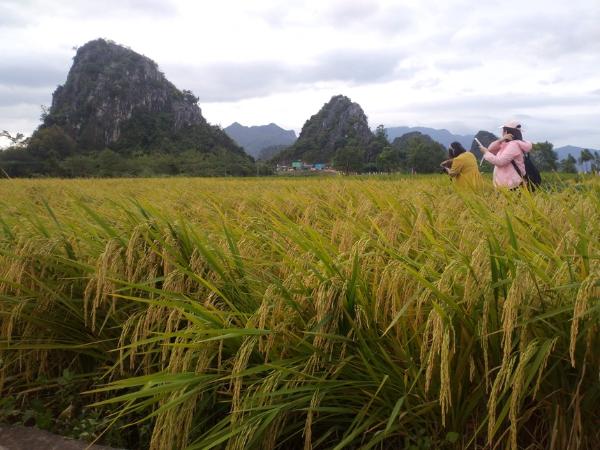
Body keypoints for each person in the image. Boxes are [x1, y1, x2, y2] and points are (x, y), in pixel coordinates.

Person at [477, 120, 532, 189]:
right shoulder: (506, 144)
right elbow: (491, 149)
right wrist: (501, 140)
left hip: (512, 185)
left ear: (506, 132)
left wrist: (486, 153)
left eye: (503, 130)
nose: (502, 133)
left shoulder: (513, 145)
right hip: (507, 184)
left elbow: (500, 162)